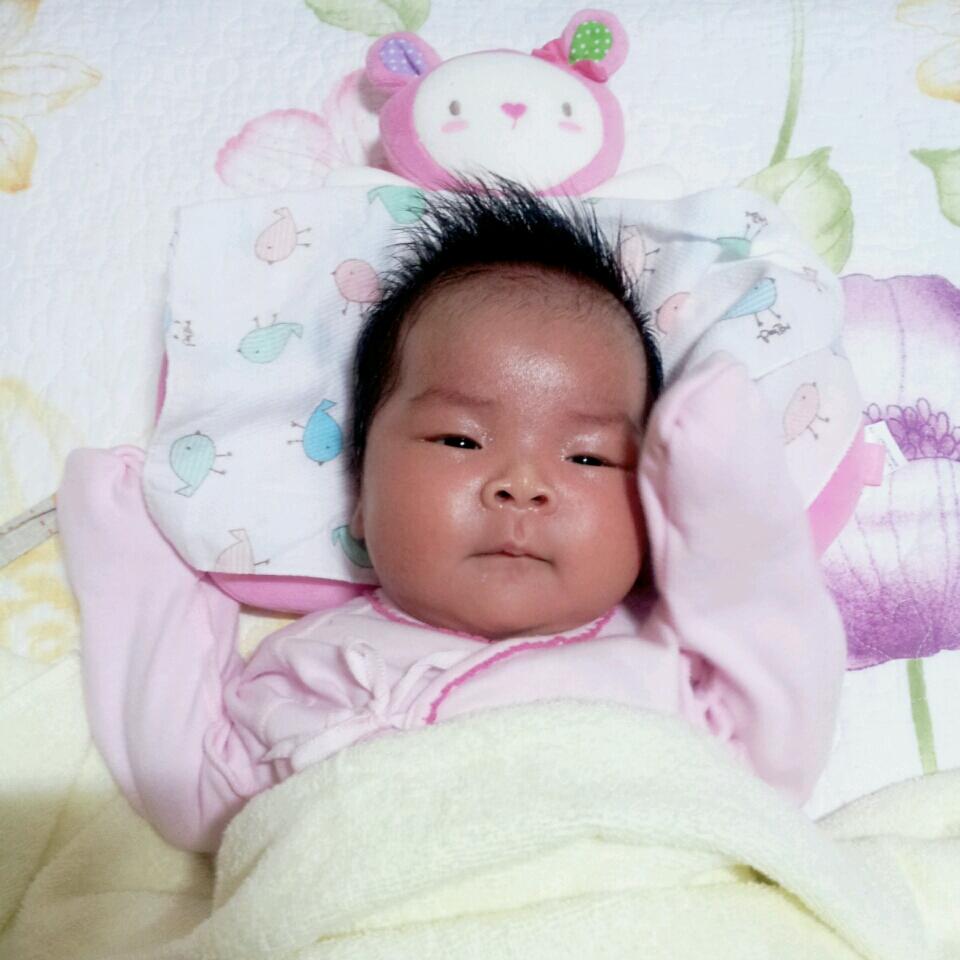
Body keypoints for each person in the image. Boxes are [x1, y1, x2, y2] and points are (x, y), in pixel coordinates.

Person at [57, 181, 845, 853]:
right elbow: (192, 788)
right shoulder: (314, 664)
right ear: (359, 491)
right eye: (460, 440)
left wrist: (724, 496)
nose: (521, 486)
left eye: (589, 457)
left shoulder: (666, 664)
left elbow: (776, 741)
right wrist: (141, 552)